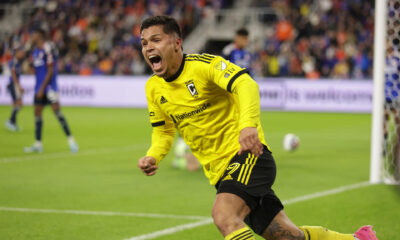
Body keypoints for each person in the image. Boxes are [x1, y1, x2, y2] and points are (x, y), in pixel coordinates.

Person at [137, 16, 378, 240]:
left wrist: (247, 126)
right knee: (286, 235)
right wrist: (153, 155)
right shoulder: (153, 88)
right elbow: (164, 130)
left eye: (156, 40)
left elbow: (245, 83)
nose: (148, 47)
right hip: (220, 173)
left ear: (177, 42)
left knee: (224, 216)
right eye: (144, 42)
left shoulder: (203, 67)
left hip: (247, 155)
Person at [24, 28, 78, 153]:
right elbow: (36, 70)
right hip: (39, 88)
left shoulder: (47, 49)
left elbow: (50, 70)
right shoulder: (35, 51)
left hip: (49, 88)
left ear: (39, 35)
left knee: (57, 112)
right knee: (37, 114)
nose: (31, 37)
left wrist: (43, 88)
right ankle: (38, 144)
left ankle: (71, 141)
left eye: (33, 35)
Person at [5, 45, 25, 132]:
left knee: (16, 104)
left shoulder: (17, 62)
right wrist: (18, 86)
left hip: (14, 84)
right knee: (19, 104)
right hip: (13, 84)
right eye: (20, 52)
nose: (22, 54)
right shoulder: (13, 62)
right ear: (16, 53)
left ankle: (13, 123)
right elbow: (13, 74)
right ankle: (10, 121)